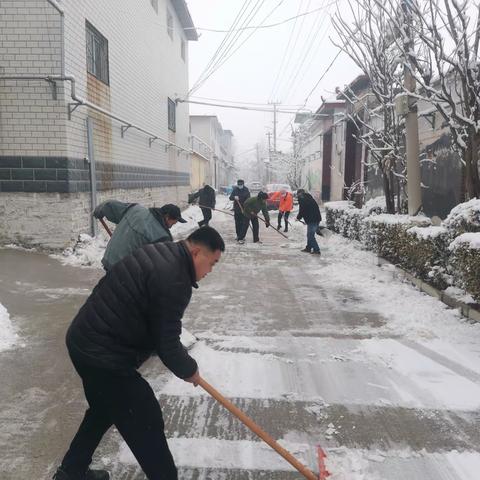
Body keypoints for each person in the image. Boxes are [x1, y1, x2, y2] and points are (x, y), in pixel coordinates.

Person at [52, 226, 225, 480]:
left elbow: (155, 325)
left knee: (103, 408)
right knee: (145, 419)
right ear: (196, 252)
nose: (210, 271)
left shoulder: (163, 252)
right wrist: (190, 370)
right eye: (212, 263)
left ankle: (71, 472)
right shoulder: (175, 279)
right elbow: (167, 342)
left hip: (84, 340)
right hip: (103, 355)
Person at [93, 200, 187, 270]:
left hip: (110, 258)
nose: (171, 227)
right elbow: (161, 265)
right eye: (173, 223)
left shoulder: (136, 209)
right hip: (124, 270)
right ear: (167, 218)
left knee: (112, 290)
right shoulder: (162, 236)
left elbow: (111, 205)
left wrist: (101, 210)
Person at [296, 189, 322, 255]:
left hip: (312, 219)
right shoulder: (308, 197)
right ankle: (308, 248)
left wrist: (298, 217)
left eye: (298, 194)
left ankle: (316, 250)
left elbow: (302, 210)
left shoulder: (302, 199)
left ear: (299, 194)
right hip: (315, 218)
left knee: (310, 235)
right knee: (310, 235)